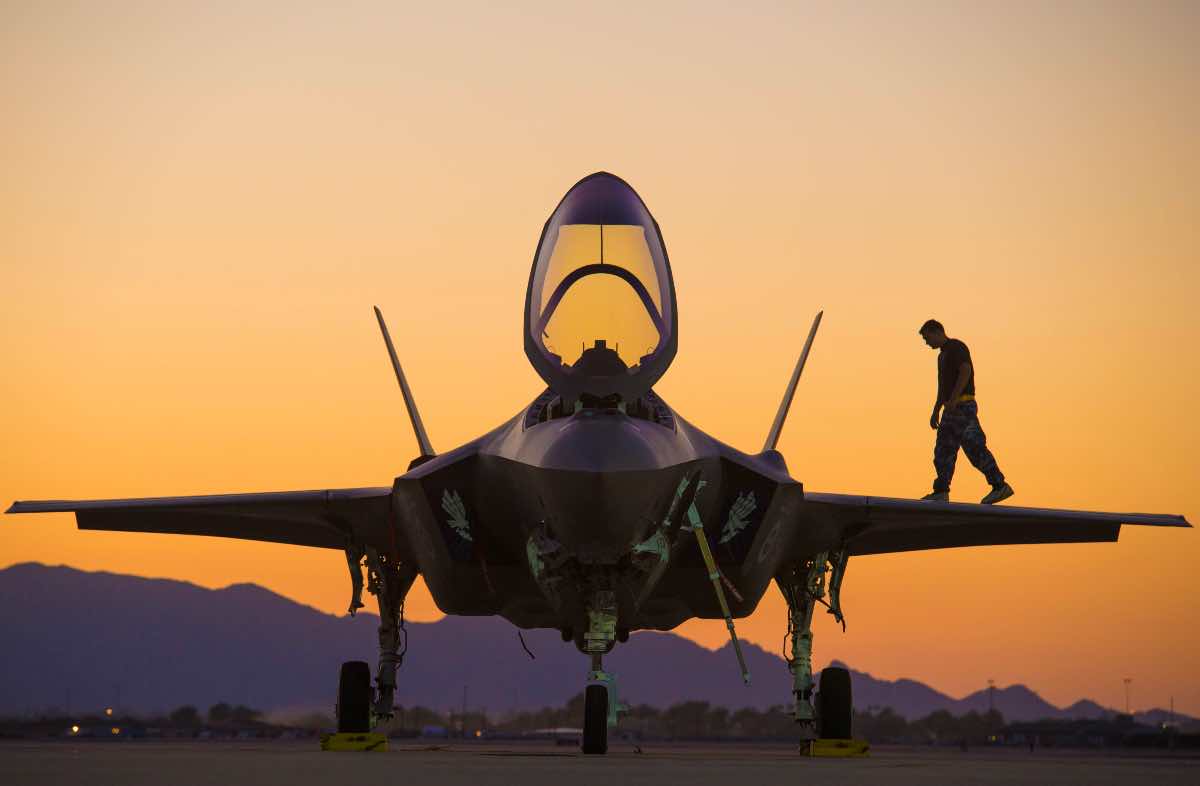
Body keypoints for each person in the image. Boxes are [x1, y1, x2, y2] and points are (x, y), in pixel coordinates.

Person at [918, 319, 1014, 504]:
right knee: (959, 448)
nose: (926, 342)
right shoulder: (942, 356)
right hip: (953, 408)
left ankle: (997, 486)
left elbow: (965, 370)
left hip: (962, 407)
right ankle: (945, 491)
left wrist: (954, 399)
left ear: (937, 331)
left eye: (927, 337)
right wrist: (936, 409)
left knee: (960, 447)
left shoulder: (956, 347)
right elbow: (942, 385)